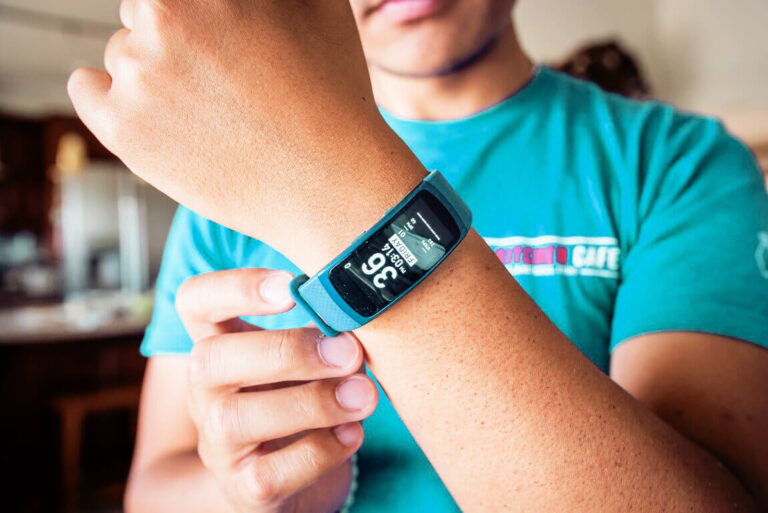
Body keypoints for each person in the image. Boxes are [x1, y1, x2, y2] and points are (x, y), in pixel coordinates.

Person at [67, 0, 768, 512]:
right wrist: (252, 493)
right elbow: (152, 488)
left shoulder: (678, 162)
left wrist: (333, 183)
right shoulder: (218, 200)